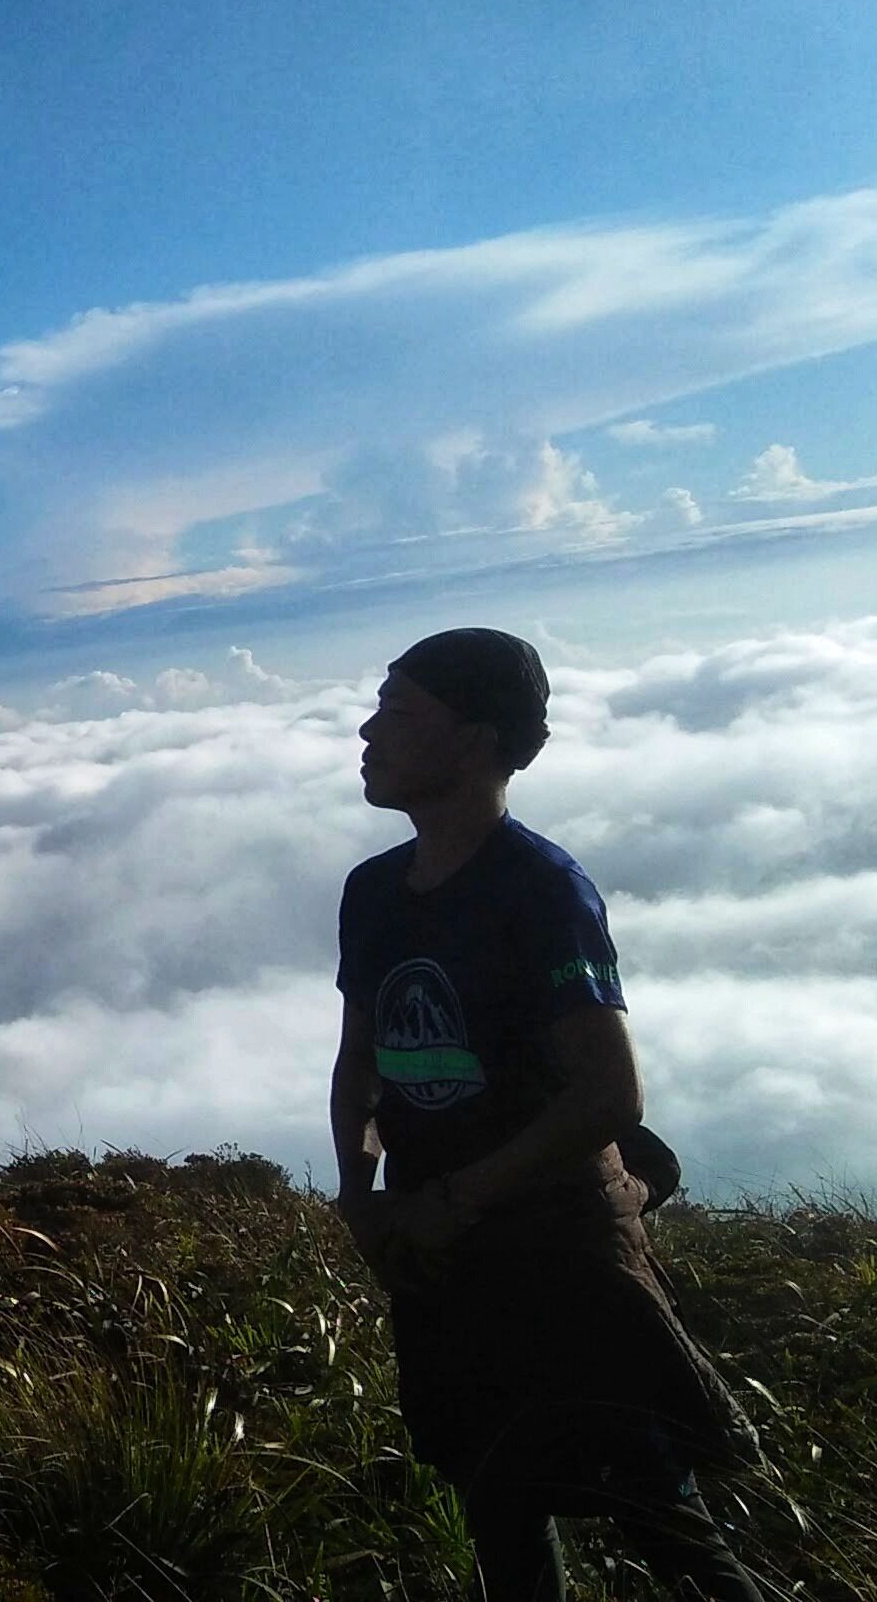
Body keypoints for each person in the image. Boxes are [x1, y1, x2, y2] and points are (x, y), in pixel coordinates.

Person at [330, 628, 768, 1600]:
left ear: (477, 739)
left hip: (561, 1258)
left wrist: (451, 1200)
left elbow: (611, 1094)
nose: (368, 731)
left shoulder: (540, 890)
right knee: (499, 1512)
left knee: (667, 1525)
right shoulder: (374, 892)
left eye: (400, 711)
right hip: (444, 1266)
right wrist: (361, 1196)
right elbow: (362, 1061)